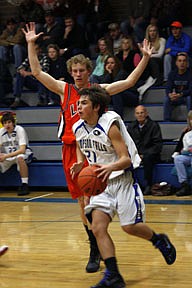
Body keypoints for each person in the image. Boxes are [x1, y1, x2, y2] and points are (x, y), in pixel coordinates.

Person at [22, 21, 153, 273]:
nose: (79, 74)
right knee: (82, 204)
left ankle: (100, 241)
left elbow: (128, 82)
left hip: (96, 149)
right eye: (75, 70)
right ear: (71, 72)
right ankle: (94, 246)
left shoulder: (99, 91)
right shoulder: (64, 90)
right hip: (72, 150)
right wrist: (30, 44)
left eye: (83, 70)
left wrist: (145, 58)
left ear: (89, 71)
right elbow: (37, 72)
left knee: (90, 199)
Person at [71, 86, 176, 288]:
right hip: (101, 184)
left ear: (96, 107)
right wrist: (79, 161)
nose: (79, 106)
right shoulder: (78, 127)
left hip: (121, 179)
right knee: (97, 228)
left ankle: (158, 240)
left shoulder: (109, 125)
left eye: (84, 103)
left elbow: (125, 160)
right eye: (79, 103)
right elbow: (80, 143)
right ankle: (113, 275)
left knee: (129, 227)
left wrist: (109, 167)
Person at [127, 105, 163, 195]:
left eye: (142, 113)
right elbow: (128, 143)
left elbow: (157, 145)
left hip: (151, 154)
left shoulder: (154, 126)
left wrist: (143, 154)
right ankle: (132, 184)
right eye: (137, 113)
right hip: (136, 154)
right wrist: (135, 154)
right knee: (125, 159)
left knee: (147, 158)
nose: (140, 115)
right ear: (135, 115)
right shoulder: (131, 127)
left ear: (146, 113)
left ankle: (148, 184)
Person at [0, 111, 33, 196]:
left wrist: (6, 156)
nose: (7, 125)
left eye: (9, 122)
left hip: (24, 154)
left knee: (20, 157)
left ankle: (25, 185)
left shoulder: (19, 129)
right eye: (5, 123)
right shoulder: (1, 132)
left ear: (13, 123)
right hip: (9, 156)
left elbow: (22, 150)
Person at [10, 43, 50, 108]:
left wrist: (28, 73)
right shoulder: (30, 58)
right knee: (19, 75)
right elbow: (20, 67)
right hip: (32, 82)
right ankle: (17, 99)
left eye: (36, 49)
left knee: (42, 78)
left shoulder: (44, 57)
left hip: (41, 82)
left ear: (39, 50)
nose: (34, 51)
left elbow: (44, 71)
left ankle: (42, 100)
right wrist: (21, 70)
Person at [163, 52, 192, 121]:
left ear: (187, 63)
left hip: (185, 97)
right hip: (176, 98)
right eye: (179, 61)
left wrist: (180, 94)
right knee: (166, 99)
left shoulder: (190, 74)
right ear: (176, 63)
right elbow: (168, 89)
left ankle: (190, 121)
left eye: (184, 61)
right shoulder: (172, 74)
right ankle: (167, 120)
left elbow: (190, 90)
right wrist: (170, 95)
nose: (182, 63)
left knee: (189, 98)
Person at [172, 110, 192, 196]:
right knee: (178, 159)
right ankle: (185, 185)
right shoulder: (186, 133)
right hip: (188, 155)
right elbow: (181, 147)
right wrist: (182, 151)